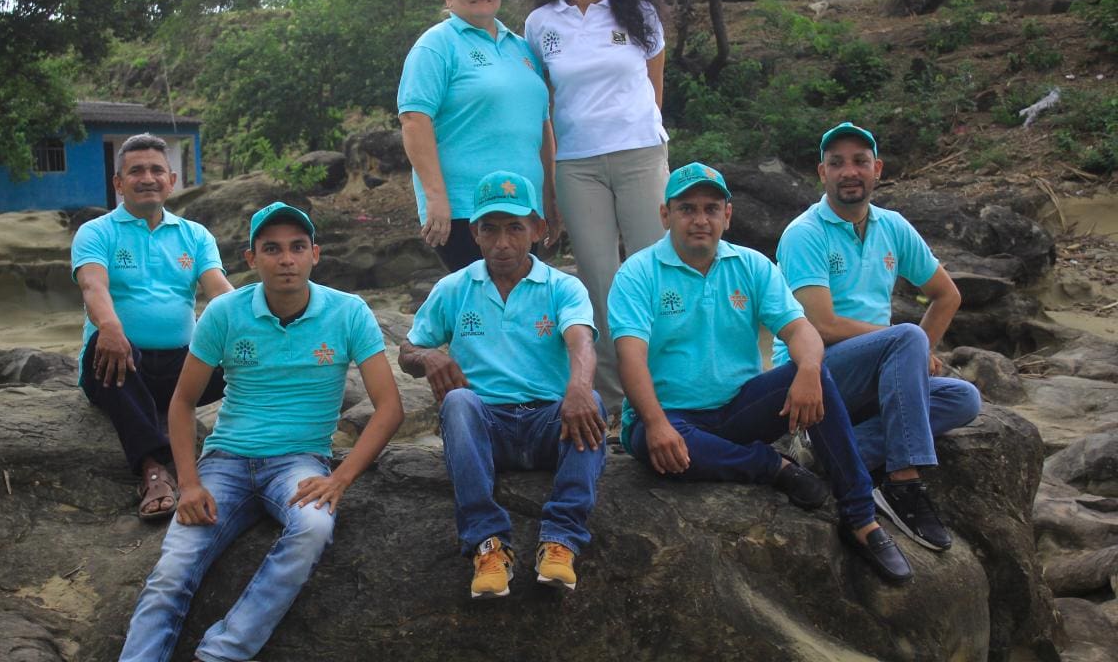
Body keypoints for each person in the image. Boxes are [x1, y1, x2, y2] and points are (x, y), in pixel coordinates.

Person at [119, 201, 404, 662]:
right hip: (226, 462)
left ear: (315, 254)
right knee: (173, 569)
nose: (286, 259)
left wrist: (340, 478)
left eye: (297, 247)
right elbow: (182, 402)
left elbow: (389, 408)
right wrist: (188, 484)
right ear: (252, 259)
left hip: (299, 462)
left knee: (313, 526)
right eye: (272, 249)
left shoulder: (348, 312)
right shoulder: (224, 312)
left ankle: (222, 652)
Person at [610, 162, 913, 584]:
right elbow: (629, 357)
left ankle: (861, 518)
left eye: (711, 209)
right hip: (671, 416)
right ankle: (771, 466)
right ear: (666, 215)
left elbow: (800, 329)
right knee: (653, 442)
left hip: (738, 407)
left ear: (727, 215)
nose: (700, 220)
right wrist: (657, 423)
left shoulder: (752, 265)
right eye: (687, 209)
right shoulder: (638, 273)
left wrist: (809, 368)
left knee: (816, 376)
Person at [773, 123, 981, 552]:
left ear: (877, 169)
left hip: (877, 372)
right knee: (906, 338)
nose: (849, 172)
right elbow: (821, 325)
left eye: (860, 162)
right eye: (837, 163)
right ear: (822, 173)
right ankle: (903, 483)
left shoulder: (893, 226)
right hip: (812, 374)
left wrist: (914, 351)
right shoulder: (805, 233)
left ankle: (827, 455)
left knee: (964, 399)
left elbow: (947, 295)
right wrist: (909, 342)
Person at [399, 170, 607, 598]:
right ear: (474, 233)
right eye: (490, 229)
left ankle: (561, 540)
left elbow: (581, 341)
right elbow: (408, 350)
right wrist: (428, 356)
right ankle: (488, 544)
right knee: (458, 402)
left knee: (592, 402)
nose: (502, 242)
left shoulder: (562, 287)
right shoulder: (454, 288)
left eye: (515, 227)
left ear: (538, 229)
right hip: (486, 426)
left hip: (550, 422)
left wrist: (579, 387)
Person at [525, 0, 670, 411]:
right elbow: (544, 107)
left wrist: (649, 140)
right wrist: (549, 185)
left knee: (655, 269)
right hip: (577, 166)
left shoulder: (640, 13)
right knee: (599, 280)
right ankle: (614, 400)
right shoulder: (541, 23)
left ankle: (665, 390)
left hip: (640, 155)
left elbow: (654, 88)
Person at [72, 133, 232, 521]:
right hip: (120, 365)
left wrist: (259, 327)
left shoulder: (195, 235)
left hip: (181, 367)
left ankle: (256, 451)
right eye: (136, 171)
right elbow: (93, 285)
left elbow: (220, 293)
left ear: (171, 181)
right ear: (118, 182)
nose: (147, 178)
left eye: (157, 170)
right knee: (107, 350)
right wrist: (109, 326)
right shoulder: (97, 232)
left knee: (244, 358)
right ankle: (154, 469)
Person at [398, 0, 554, 272]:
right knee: (481, 297)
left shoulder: (521, 48)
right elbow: (414, 120)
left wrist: (550, 198)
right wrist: (436, 198)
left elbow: (542, 126)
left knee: (522, 297)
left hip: (525, 206)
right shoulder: (436, 45)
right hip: (465, 208)